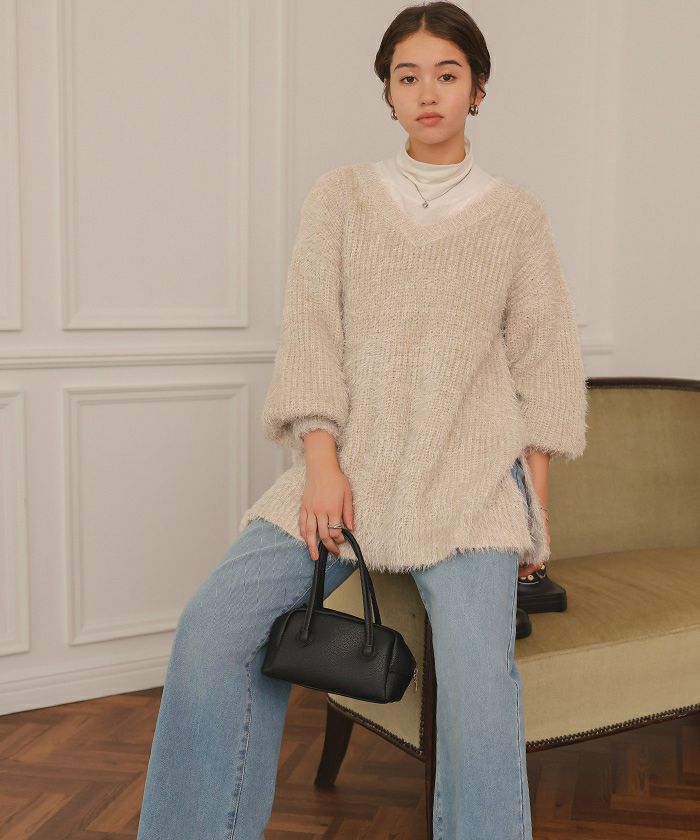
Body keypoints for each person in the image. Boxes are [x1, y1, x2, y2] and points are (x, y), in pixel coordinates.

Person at [136, 3, 588, 838]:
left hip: (469, 487)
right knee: (212, 630)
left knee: (481, 689)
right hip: (345, 473)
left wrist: (535, 515)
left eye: (446, 75)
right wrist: (321, 462)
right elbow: (312, 333)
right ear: (387, 93)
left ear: (478, 88)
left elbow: (545, 368)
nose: (427, 93)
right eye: (407, 76)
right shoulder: (340, 197)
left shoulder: (516, 216)